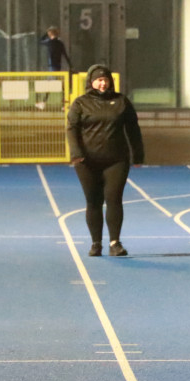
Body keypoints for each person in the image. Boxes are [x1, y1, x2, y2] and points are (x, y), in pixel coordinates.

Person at [66, 64, 144, 257]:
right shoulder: (80, 103)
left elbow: (133, 129)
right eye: (99, 80)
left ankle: (115, 243)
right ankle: (96, 243)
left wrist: (138, 154)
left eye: (105, 80)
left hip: (116, 160)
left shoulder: (121, 102)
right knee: (93, 201)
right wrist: (76, 152)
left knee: (114, 199)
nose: (102, 83)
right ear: (91, 82)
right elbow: (72, 129)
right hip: (87, 161)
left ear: (110, 81)